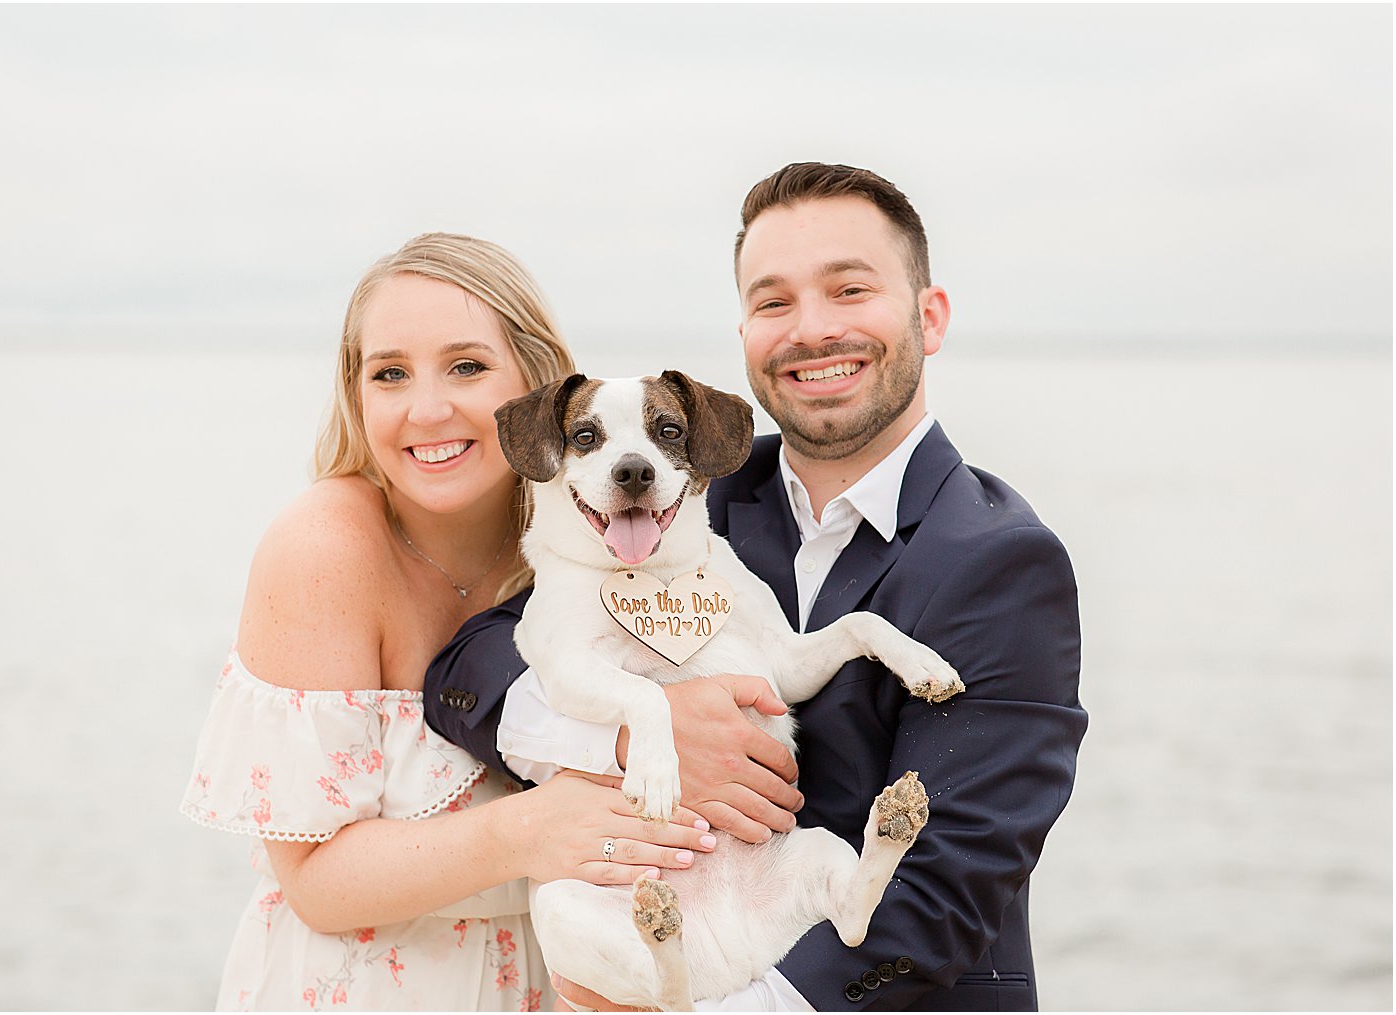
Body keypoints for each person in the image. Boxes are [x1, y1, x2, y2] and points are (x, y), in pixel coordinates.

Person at [424, 164, 1088, 1011]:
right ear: (744, 332)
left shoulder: (1002, 562)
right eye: (774, 302)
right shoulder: (687, 500)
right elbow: (468, 671)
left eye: (849, 289)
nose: (811, 329)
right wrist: (626, 739)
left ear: (929, 316)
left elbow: (945, 890)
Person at [179, 233, 717, 1012]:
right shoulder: (324, 548)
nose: (427, 409)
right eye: (389, 373)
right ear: (355, 393)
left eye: (466, 366)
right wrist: (529, 830)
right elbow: (315, 883)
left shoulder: (605, 534)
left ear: (537, 385)